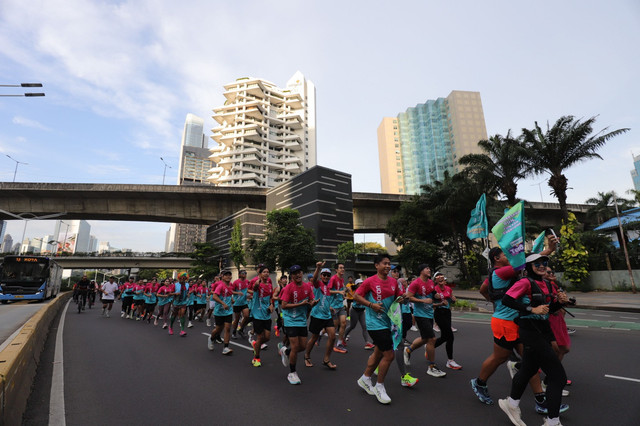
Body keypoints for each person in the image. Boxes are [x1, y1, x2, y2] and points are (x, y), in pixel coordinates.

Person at [471, 237, 558, 408]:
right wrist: (548, 250)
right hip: (504, 322)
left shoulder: (502, 273)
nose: (509, 257)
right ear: (496, 258)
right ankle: (479, 382)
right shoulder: (501, 271)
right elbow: (524, 263)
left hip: (518, 322)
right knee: (499, 357)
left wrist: (494, 300)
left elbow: (483, 289)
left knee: (529, 360)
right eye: (505, 254)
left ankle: (540, 399)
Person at [498, 253, 569, 426]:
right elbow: (507, 299)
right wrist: (531, 309)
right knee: (558, 377)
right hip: (530, 331)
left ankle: (511, 404)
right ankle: (553, 421)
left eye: (544, 262)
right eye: (537, 263)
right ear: (529, 266)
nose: (542, 265)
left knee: (528, 370)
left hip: (543, 331)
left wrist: (561, 303)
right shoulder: (524, 282)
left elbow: (548, 309)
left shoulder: (546, 283)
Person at [354, 254, 406, 404]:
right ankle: (379, 386)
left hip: (389, 323)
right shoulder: (370, 281)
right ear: (376, 265)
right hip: (374, 324)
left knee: (378, 354)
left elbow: (399, 297)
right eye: (385, 263)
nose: (388, 266)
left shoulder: (393, 282)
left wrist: (401, 298)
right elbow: (356, 296)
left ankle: (365, 378)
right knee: (389, 356)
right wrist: (371, 305)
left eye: (389, 264)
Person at [403, 264, 446, 378]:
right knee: (431, 339)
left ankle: (408, 350)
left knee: (425, 338)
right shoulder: (415, 283)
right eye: (427, 268)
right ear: (421, 271)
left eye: (429, 268)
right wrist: (423, 301)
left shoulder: (431, 282)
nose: (429, 270)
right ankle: (432, 367)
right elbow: (409, 297)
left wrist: (436, 296)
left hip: (429, 314)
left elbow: (432, 294)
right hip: (420, 314)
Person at [279, 265, 317, 385]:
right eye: (294, 273)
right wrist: (301, 304)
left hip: (301, 320)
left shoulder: (307, 287)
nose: (297, 275)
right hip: (290, 320)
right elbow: (284, 305)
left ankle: (285, 351)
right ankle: (292, 373)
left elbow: (310, 300)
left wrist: (313, 303)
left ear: (302, 273)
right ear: (291, 276)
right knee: (295, 347)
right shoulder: (289, 288)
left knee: (302, 347)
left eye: (299, 272)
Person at [304, 262, 337, 369]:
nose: (326, 277)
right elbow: (313, 280)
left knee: (332, 337)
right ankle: (307, 356)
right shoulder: (318, 285)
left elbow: (326, 300)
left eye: (328, 275)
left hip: (327, 316)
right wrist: (318, 268)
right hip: (317, 316)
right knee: (314, 337)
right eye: (324, 275)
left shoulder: (328, 287)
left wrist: (329, 307)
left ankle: (326, 359)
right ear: (321, 276)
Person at [389, 265, 418, 387]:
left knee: (386, 347)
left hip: (396, 318)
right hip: (387, 319)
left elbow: (405, 301)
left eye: (398, 271)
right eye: (394, 271)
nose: (397, 273)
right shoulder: (381, 283)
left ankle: (373, 370)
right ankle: (403, 377)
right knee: (399, 346)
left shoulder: (399, 285)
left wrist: (405, 297)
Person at [432, 271, 462, 370]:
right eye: (438, 277)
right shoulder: (434, 290)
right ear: (435, 280)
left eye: (442, 276)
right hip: (439, 313)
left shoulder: (448, 289)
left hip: (447, 313)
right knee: (450, 336)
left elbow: (451, 299)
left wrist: (453, 300)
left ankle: (430, 346)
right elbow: (430, 304)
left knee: (445, 336)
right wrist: (439, 304)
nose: (440, 278)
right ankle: (450, 361)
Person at [247, 265, 274, 367]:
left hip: (266, 315)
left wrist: (271, 305)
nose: (266, 273)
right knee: (259, 337)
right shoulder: (257, 284)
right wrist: (257, 283)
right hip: (257, 315)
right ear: (260, 274)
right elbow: (254, 288)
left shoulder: (270, 285)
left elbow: (271, 298)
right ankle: (256, 357)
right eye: (264, 272)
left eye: (267, 272)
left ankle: (255, 344)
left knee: (267, 337)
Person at [207, 270, 234, 355]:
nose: (228, 277)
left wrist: (232, 300)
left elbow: (229, 295)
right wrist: (223, 303)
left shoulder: (230, 285)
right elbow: (214, 296)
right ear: (222, 276)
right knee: (218, 329)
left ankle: (226, 347)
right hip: (219, 311)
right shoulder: (220, 285)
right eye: (226, 275)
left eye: (229, 275)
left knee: (228, 328)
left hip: (228, 311)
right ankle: (211, 338)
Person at [344, 279, 374, 350]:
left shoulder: (365, 291)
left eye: (362, 283)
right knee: (352, 326)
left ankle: (367, 343)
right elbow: (358, 302)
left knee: (364, 326)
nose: (362, 284)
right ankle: (343, 338)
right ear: (357, 285)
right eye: (360, 283)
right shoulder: (357, 292)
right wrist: (366, 301)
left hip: (361, 311)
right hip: (355, 311)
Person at [328, 263, 348, 353]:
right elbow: (328, 291)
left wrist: (343, 295)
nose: (342, 269)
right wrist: (338, 292)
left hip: (340, 305)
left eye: (343, 268)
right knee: (334, 326)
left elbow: (340, 290)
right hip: (334, 306)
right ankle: (320, 334)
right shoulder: (333, 278)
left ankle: (339, 343)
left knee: (343, 323)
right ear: (336, 270)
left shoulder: (342, 279)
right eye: (340, 268)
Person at [231, 269, 251, 339]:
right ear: (239, 274)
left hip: (244, 302)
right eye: (243, 273)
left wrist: (250, 295)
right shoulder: (236, 282)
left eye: (245, 273)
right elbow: (231, 291)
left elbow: (248, 290)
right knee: (237, 319)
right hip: (237, 303)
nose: (244, 274)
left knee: (247, 316)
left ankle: (241, 329)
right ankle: (234, 332)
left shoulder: (247, 282)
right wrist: (237, 293)